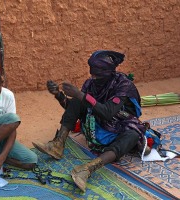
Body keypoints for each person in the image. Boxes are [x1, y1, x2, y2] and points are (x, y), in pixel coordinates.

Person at [32, 50, 149, 192]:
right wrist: (58, 95)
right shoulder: (91, 83)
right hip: (97, 124)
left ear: (108, 72)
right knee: (77, 101)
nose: (93, 77)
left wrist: (80, 95)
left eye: (97, 74)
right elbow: (74, 108)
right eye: (92, 73)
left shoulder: (123, 85)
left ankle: (87, 169)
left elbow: (108, 112)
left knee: (133, 135)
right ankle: (58, 144)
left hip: (120, 125)